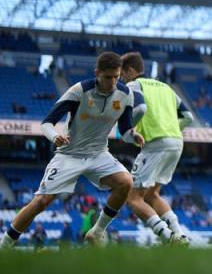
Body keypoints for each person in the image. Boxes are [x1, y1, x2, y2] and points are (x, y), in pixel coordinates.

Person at [1, 52, 145, 249]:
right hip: (69, 154)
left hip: (98, 154)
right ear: (97, 73)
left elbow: (124, 130)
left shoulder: (126, 95)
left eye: (117, 77)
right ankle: (5, 245)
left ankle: (97, 231)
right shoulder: (79, 91)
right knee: (42, 201)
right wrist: (55, 136)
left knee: (126, 182)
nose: (113, 82)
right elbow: (46, 123)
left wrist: (133, 136)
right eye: (108, 77)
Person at [121, 52, 194, 245]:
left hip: (155, 144)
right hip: (176, 143)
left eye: (122, 73)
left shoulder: (134, 85)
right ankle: (179, 234)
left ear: (129, 70)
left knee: (134, 198)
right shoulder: (166, 87)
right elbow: (189, 117)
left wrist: (129, 132)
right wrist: (170, 129)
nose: (121, 78)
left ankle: (168, 237)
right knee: (153, 194)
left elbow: (139, 110)